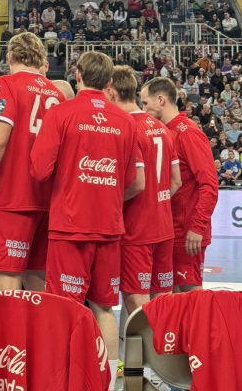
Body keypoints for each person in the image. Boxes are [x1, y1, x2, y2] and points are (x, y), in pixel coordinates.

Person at [30, 51, 144, 389]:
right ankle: (107, 381)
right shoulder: (126, 121)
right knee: (105, 307)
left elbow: (39, 169)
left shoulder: (61, 113)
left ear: (77, 75)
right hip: (109, 226)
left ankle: (61, 378)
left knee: (64, 308)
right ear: (109, 82)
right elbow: (131, 181)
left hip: (69, 225)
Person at [0, 32, 66, 291]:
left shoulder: (6, 83)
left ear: (9, 57)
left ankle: (8, 322)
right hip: (48, 200)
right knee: (39, 283)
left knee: (7, 281)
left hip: (13, 197)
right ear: (41, 59)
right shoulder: (58, 94)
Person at [105, 66, 181, 320]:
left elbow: (137, 184)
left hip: (137, 229)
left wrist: (111, 203)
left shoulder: (126, 127)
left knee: (135, 297)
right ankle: (168, 343)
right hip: (163, 226)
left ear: (112, 92)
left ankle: (150, 344)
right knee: (163, 296)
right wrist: (157, 201)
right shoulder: (162, 128)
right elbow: (176, 181)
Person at [140, 77, 218, 292]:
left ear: (161, 100)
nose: (143, 109)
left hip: (187, 233)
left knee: (189, 294)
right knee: (171, 296)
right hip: (169, 230)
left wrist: (197, 227)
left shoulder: (187, 133)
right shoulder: (164, 131)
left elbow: (209, 184)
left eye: (145, 103)